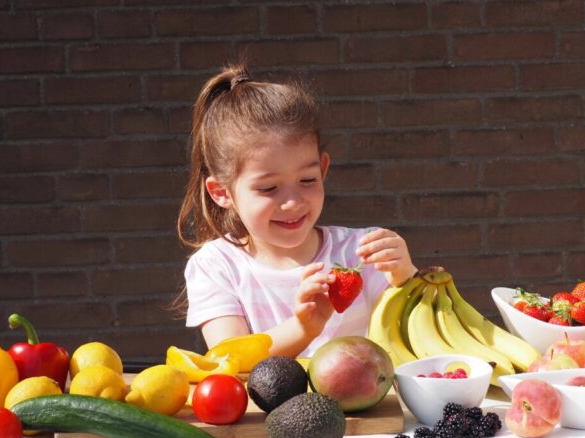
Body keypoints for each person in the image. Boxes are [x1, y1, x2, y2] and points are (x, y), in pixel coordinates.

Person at [177, 64, 418, 358]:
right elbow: (229, 358)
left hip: (364, 403)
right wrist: (302, 329)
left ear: (324, 169)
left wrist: (408, 278)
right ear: (222, 193)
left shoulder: (362, 252)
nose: (293, 202)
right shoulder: (216, 266)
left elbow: (416, 339)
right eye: (268, 188)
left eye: (307, 180)